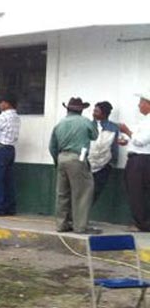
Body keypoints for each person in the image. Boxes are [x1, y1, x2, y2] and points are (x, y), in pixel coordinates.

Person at [49, 97, 99, 234]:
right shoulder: (85, 122)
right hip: (78, 158)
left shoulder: (60, 123)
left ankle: (61, 225)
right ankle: (80, 226)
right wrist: (94, 121)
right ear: (81, 110)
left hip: (61, 158)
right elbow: (95, 136)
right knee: (82, 193)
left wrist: (57, 160)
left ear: (68, 109)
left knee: (62, 193)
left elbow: (52, 146)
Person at [120, 91, 150, 231]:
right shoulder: (144, 121)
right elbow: (135, 140)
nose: (139, 106)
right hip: (138, 159)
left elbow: (140, 141)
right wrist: (126, 141)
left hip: (141, 160)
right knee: (135, 191)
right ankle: (141, 221)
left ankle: (141, 224)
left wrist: (126, 131)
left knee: (137, 192)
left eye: (141, 103)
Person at [89, 101, 124, 204]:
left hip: (104, 166)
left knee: (95, 193)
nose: (93, 113)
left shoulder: (113, 128)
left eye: (97, 111)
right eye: (94, 110)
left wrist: (111, 164)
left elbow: (114, 146)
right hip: (86, 164)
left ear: (104, 114)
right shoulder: (88, 125)